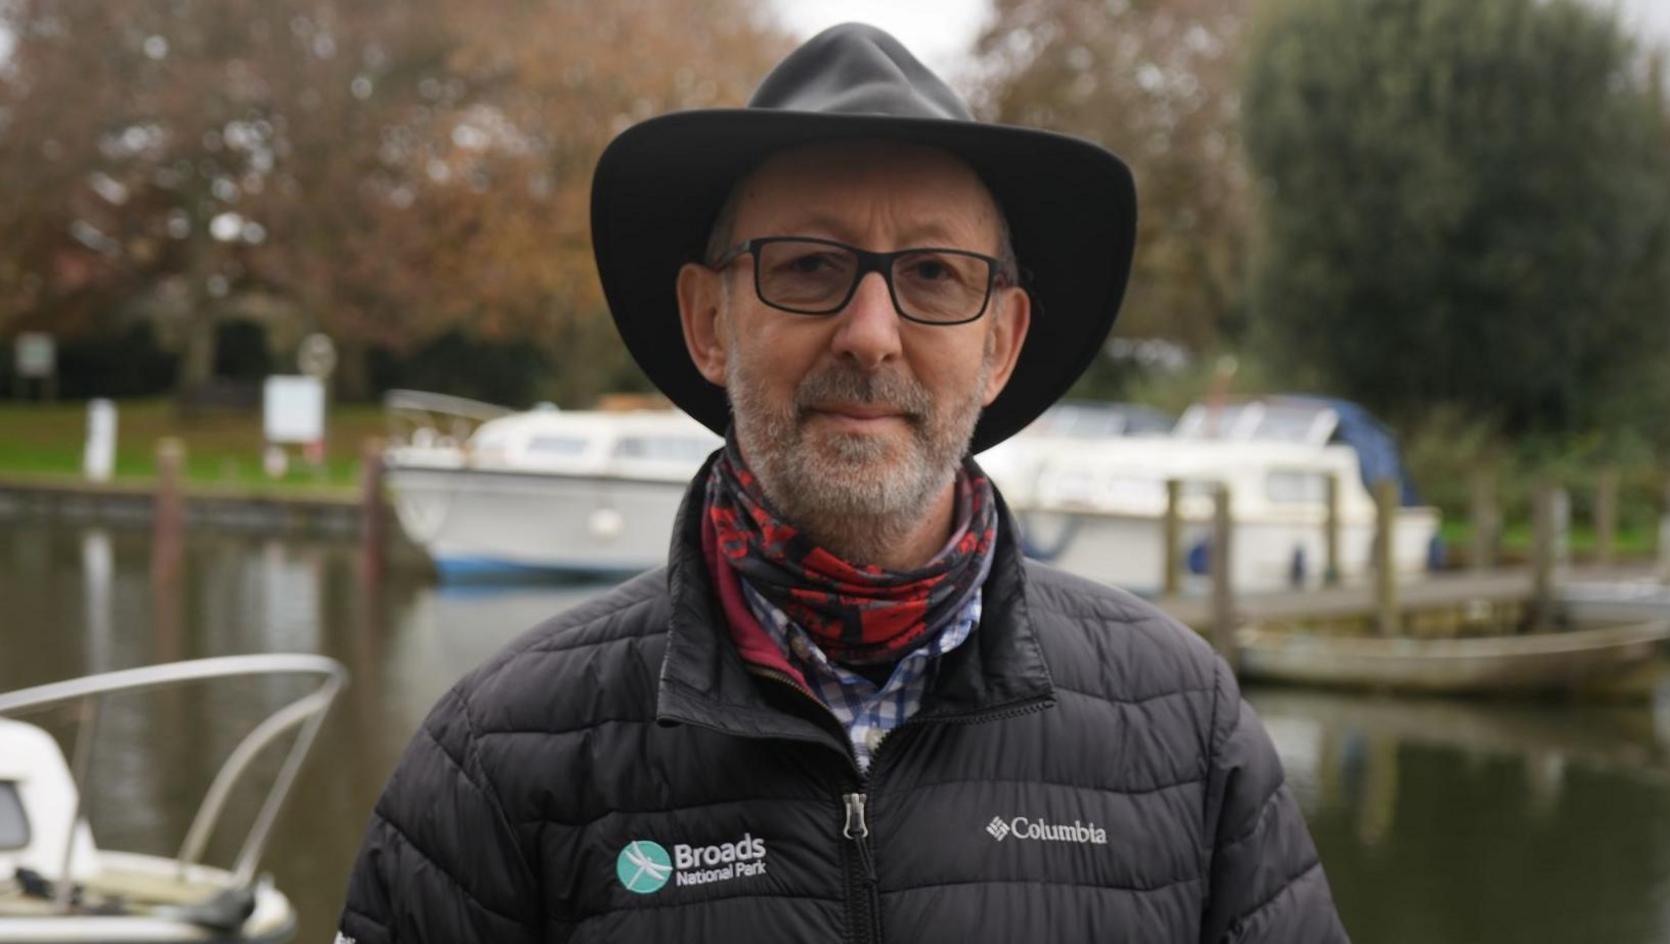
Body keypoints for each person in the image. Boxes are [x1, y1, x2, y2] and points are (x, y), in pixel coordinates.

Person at [337, 23, 1346, 944]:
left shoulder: (1184, 727)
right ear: (709, 321)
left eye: (935, 274)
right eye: (809, 265)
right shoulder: (502, 755)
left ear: (1001, 344)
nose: (870, 334)